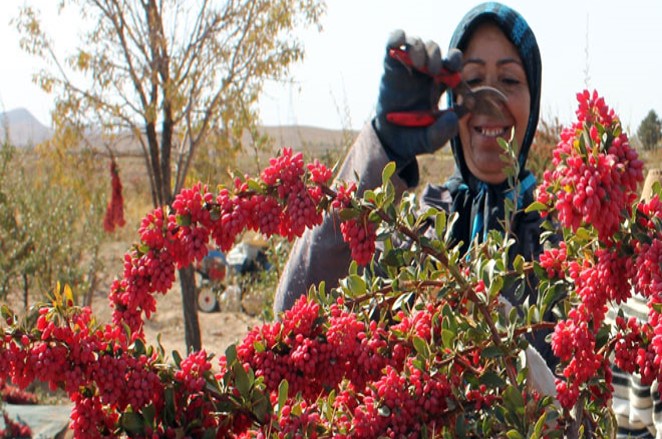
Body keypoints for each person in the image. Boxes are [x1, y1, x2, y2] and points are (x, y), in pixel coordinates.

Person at [274, 2, 551, 364]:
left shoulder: (563, 242)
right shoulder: (416, 232)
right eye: (471, 81)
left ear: (534, 100)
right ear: (452, 97)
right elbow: (290, 326)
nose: (487, 101)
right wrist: (379, 151)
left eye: (509, 80)